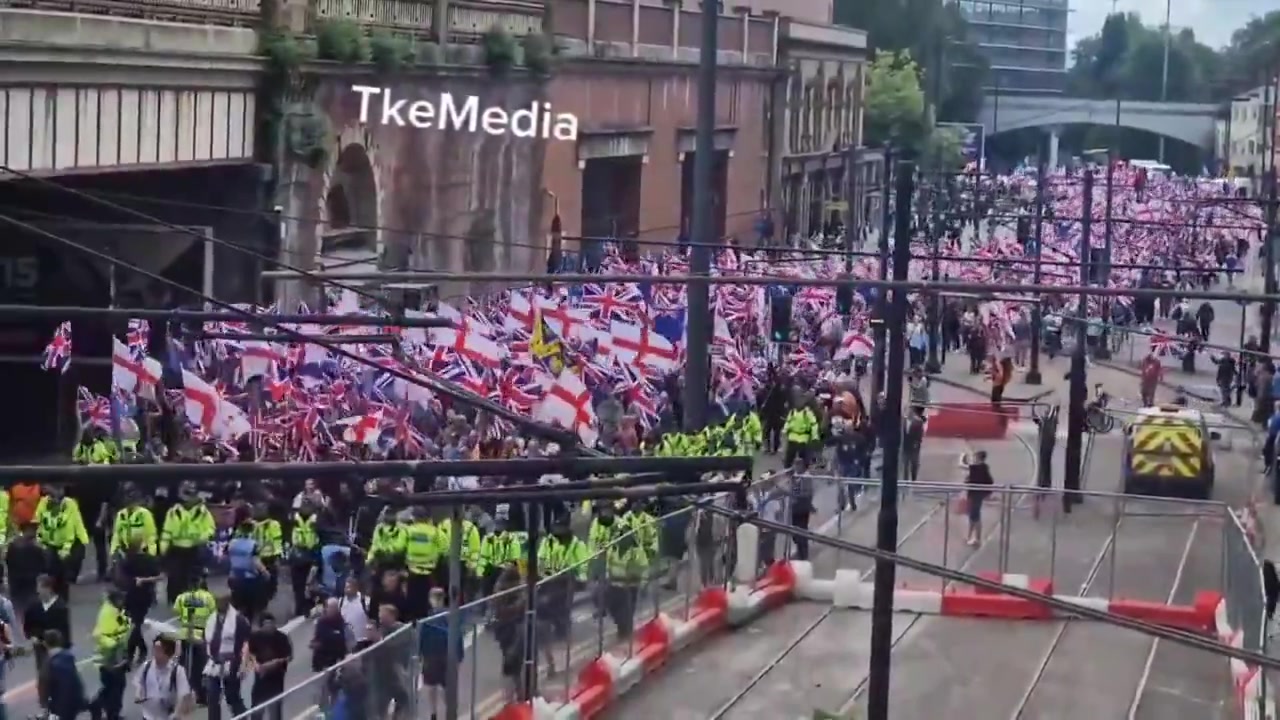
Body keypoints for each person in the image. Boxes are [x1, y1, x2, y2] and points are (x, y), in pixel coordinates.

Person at [160, 482, 215, 603]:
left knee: (194, 576)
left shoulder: (203, 512)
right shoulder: (173, 512)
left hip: (195, 548)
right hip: (176, 548)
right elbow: (167, 531)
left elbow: (210, 529)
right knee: (175, 576)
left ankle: (195, 598)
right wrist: (163, 546)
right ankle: (174, 599)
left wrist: (203, 537)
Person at [24, 574, 69, 717]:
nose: (37, 591)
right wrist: (31, 636)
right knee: (43, 679)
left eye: (39, 587)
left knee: (57, 679)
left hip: (56, 649)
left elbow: (65, 630)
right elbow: (28, 624)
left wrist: (64, 648)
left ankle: (57, 708)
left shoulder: (60, 607)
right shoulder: (34, 605)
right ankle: (44, 708)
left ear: (48, 588)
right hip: (41, 648)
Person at [34, 485, 89, 601]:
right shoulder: (43, 503)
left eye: (58, 491)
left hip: (66, 543)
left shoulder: (70, 504)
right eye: (52, 494)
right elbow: (37, 522)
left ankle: (63, 596)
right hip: (49, 543)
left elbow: (77, 523)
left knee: (65, 570)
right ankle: (52, 594)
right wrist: (38, 540)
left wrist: (83, 540)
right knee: (51, 569)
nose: (55, 497)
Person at [116, 535, 163, 666]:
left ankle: (130, 654)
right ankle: (141, 649)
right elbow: (160, 576)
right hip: (143, 595)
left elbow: (120, 578)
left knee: (135, 624)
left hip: (132, 595)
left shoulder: (127, 561)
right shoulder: (149, 560)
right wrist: (146, 580)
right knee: (135, 624)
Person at [203, 593, 250, 720]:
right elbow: (207, 640)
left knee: (232, 697)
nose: (218, 604)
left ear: (228, 602)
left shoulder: (239, 620)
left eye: (221, 601)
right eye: (217, 601)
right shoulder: (212, 619)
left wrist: (244, 664)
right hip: (214, 663)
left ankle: (242, 717)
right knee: (212, 697)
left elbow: (246, 643)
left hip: (232, 663)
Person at [419, 588, 464, 720]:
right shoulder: (450, 616)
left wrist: (421, 654)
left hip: (433, 655)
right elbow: (458, 636)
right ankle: (448, 713)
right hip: (445, 655)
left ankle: (435, 713)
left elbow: (422, 637)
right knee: (444, 687)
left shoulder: (429, 618)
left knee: (433, 686)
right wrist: (459, 656)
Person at [173, 571, 215, 706]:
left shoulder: (181, 597)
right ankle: (202, 696)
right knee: (201, 667)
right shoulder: (207, 597)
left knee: (183, 666)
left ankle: (183, 694)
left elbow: (177, 612)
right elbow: (213, 614)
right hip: (201, 634)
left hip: (185, 634)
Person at [89, 589, 132, 720]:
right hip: (111, 656)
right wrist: (115, 645)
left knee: (114, 686)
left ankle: (109, 711)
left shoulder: (115, 610)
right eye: (121, 600)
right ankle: (106, 710)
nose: (123, 602)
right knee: (115, 686)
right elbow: (102, 635)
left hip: (116, 654)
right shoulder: (108, 613)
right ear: (115, 600)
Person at [132, 636, 194, 720]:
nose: (155, 653)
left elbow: (182, 695)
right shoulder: (146, 666)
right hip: (148, 715)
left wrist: (177, 712)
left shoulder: (177, 671)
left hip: (168, 716)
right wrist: (138, 693)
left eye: (159, 650)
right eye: (154, 649)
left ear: (168, 654)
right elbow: (138, 681)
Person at [245, 612, 292, 720]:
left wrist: (274, 663)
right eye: (266, 625)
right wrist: (256, 664)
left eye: (271, 624)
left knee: (275, 707)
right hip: (260, 678)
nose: (270, 627)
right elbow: (249, 653)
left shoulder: (282, 637)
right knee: (257, 708)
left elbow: (289, 656)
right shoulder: (255, 637)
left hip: (276, 678)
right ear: (261, 626)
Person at [226, 520, 267, 620]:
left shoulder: (232, 543)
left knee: (237, 605)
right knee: (250, 607)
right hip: (249, 579)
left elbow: (225, 558)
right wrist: (265, 572)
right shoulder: (253, 544)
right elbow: (256, 561)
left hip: (234, 577)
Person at [288, 500, 322, 619]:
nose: (306, 508)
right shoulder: (294, 518)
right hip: (297, 553)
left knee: (310, 583)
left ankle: (308, 606)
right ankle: (300, 607)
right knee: (298, 584)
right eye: (304, 505)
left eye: (308, 505)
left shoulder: (317, 519)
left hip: (311, 553)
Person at [44, 629, 86, 720]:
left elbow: (46, 684)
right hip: (73, 701)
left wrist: (46, 703)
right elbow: (77, 680)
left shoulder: (51, 662)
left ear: (46, 644)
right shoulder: (68, 657)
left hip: (60, 705)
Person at [964, 450, 995, 547]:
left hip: (975, 494)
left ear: (978, 458)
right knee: (973, 515)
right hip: (977, 494)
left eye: (975, 457)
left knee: (975, 516)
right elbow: (990, 481)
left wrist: (963, 456)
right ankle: (970, 536)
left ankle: (977, 539)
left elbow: (962, 464)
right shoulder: (984, 467)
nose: (974, 459)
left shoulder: (976, 467)